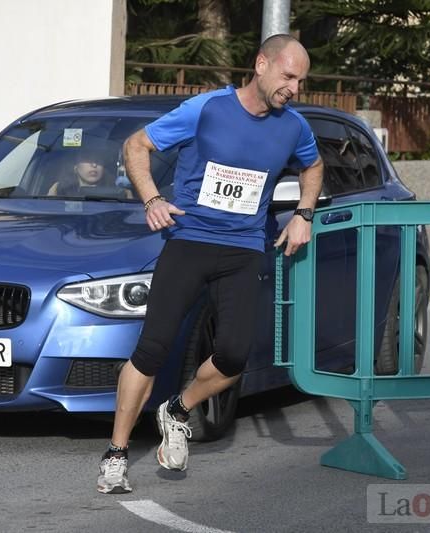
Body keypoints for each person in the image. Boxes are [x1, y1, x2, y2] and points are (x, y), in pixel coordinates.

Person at [96, 34, 324, 494]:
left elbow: (313, 167)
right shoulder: (207, 109)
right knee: (153, 349)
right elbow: (136, 146)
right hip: (190, 242)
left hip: (243, 250)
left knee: (235, 356)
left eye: (300, 80)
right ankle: (116, 455)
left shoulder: (294, 127)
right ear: (261, 64)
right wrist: (152, 198)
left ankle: (177, 409)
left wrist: (303, 214)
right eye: (288, 76)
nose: (294, 88)